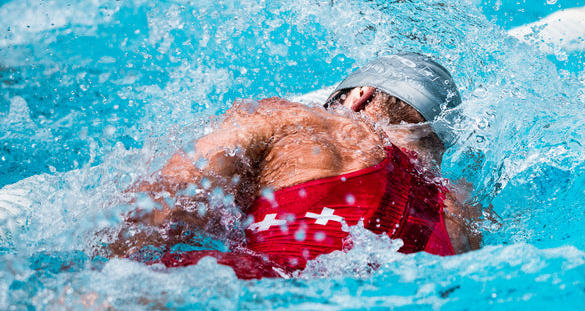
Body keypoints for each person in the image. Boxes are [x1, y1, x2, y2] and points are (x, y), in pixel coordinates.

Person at [108, 52, 480, 279]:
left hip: (255, 282)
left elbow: (159, 204)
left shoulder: (297, 121)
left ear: (360, 97)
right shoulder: (462, 211)